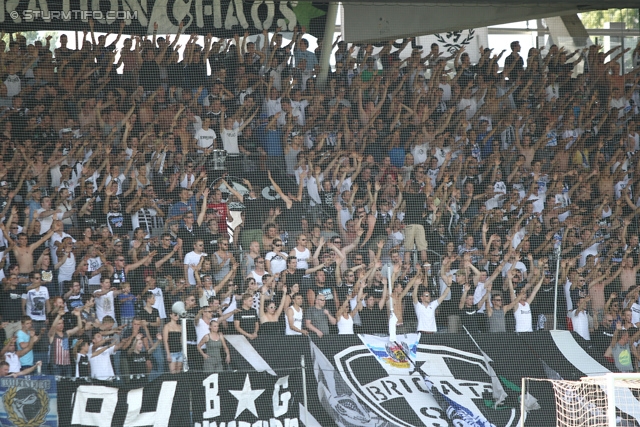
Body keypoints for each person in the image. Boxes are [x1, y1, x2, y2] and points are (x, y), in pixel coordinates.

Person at [413, 266, 450, 333]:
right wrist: (416, 285)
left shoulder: (432, 305)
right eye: (426, 296)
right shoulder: (418, 306)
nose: (429, 297)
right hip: (422, 332)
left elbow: (443, 296)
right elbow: (414, 297)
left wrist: (449, 285)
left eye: (429, 296)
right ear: (422, 297)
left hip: (432, 332)